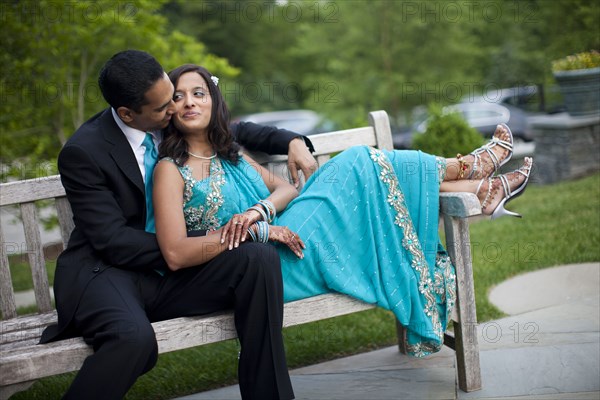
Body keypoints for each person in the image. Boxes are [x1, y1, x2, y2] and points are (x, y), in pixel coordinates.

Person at [153, 64, 533, 360]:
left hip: (290, 237)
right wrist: (260, 229)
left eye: (199, 93)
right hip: (267, 264)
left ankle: (478, 186)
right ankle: (467, 173)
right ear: (168, 110)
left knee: (359, 166)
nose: (189, 102)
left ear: (212, 101)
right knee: (356, 162)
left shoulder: (230, 155)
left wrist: (258, 211)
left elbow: (284, 188)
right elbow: (175, 252)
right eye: (180, 96)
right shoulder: (171, 168)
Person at [39, 50, 315, 399]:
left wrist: (293, 141)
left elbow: (235, 129)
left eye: (173, 96)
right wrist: (212, 238)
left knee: (258, 259)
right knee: (134, 340)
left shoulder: (164, 113)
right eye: (164, 106)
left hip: (170, 274)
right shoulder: (85, 151)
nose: (175, 109)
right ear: (128, 114)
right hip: (108, 273)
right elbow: (112, 241)